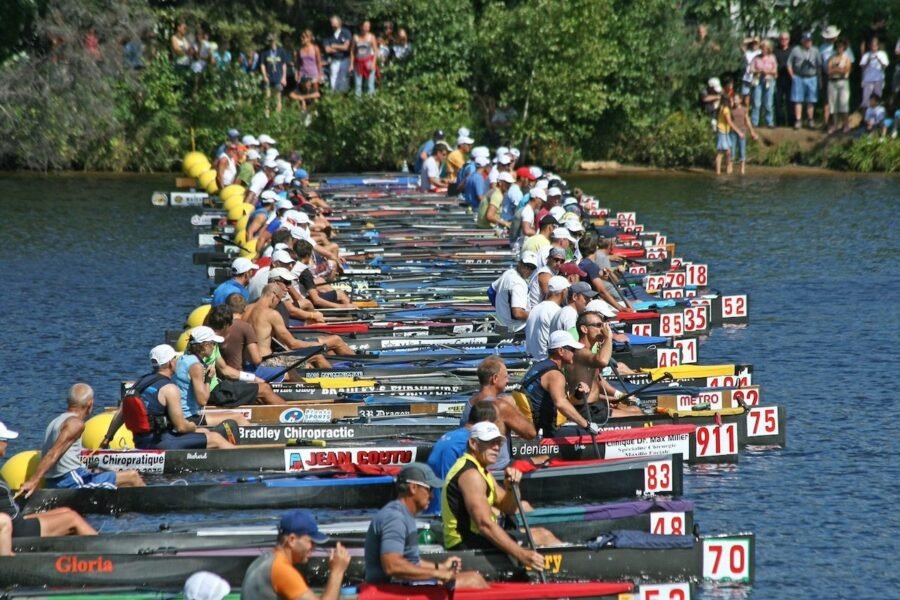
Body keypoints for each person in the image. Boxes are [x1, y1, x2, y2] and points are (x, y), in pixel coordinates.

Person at [441, 421, 559, 569]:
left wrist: (511, 487)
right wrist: (522, 555)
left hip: (476, 539)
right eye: (490, 443)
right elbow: (484, 525)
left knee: (541, 533)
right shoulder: (471, 475)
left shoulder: (481, 471)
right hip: (465, 546)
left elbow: (509, 508)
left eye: (498, 443)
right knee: (543, 537)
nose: (496, 448)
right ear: (473, 444)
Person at [365, 463, 487, 588]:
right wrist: (437, 573)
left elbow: (411, 561)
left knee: (475, 578)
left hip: (400, 586)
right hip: (385, 591)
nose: (432, 496)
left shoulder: (404, 514)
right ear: (413, 488)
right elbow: (392, 565)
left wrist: (441, 567)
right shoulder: (395, 518)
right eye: (430, 489)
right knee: (474, 581)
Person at [17, 385, 144, 498]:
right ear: (90, 404)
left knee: (108, 474)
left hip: (58, 480)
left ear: (68, 402)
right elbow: (53, 453)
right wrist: (33, 481)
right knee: (132, 476)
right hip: (69, 482)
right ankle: (149, 509)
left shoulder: (55, 421)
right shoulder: (76, 424)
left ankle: (125, 516)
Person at [101, 344, 236, 450]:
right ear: (171, 363)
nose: (177, 361)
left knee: (203, 432)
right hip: (162, 443)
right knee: (215, 438)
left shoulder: (139, 383)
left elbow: (121, 413)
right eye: (175, 359)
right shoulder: (170, 389)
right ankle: (241, 458)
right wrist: (192, 426)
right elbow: (182, 427)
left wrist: (108, 439)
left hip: (140, 441)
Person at [0, 421, 97, 553]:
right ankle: (105, 556)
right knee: (72, 519)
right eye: (4, 440)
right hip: (14, 528)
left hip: (15, 520)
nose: (7, 444)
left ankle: (76, 554)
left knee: (66, 511)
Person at [242, 509, 350, 600]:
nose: (313, 548)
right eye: (310, 542)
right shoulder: (281, 569)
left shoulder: (262, 561)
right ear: (292, 540)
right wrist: (337, 571)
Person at [519, 331, 599, 439]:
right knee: (595, 436)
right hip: (546, 432)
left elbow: (562, 401)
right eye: (572, 350)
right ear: (561, 351)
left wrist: (578, 394)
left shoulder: (539, 366)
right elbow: (561, 403)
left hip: (533, 427)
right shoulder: (555, 375)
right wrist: (586, 425)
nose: (574, 353)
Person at [206, 306, 289, 406]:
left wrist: (253, 378)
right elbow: (227, 372)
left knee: (259, 390)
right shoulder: (209, 345)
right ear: (226, 326)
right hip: (215, 391)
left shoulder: (208, 342)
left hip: (219, 386)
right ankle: (294, 414)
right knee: (264, 389)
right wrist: (253, 378)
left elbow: (225, 369)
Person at [568, 312, 641, 421]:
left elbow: (598, 381)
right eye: (598, 325)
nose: (602, 329)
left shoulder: (588, 352)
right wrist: (609, 337)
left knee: (635, 409)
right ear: (584, 329)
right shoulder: (579, 352)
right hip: (585, 410)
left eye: (603, 325)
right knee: (639, 416)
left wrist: (618, 396)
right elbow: (602, 361)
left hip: (595, 405)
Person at [173, 327, 251, 427]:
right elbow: (202, 401)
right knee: (238, 417)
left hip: (179, 414)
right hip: (189, 417)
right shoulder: (196, 366)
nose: (214, 347)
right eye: (213, 343)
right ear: (205, 345)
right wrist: (208, 379)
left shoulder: (182, 359)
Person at [490, 251, 538, 333]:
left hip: (501, 326)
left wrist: (502, 309)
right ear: (520, 263)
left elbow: (491, 291)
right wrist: (537, 316)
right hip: (517, 329)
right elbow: (518, 313)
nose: (528, 270)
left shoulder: (508, 273)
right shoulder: (519, 284)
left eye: (532, 267)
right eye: (526, 266)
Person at [525, 275, 569, 360]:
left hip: (532, 358)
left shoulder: (535, 308)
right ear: (564, 292)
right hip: (546, 359)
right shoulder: (557, 311)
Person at [787, 32, 822, 129]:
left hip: (812, 77)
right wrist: (792, 76)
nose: (808, 42)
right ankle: (798, 120)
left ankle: (811, 120)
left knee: (811, 100)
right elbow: (789, 64)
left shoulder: (815, 50)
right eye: (806, 40)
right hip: (799, 77)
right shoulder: (796, 50)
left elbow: (819, 65)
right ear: (802, 41)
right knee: (797, 100)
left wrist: (819, 78)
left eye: (810, 40)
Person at [826, 39, 853, 134]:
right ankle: (834, 125)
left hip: (843, 82)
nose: (839, 48)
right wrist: (838, 69)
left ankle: (846, 125)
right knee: (833, 105)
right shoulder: (831, 58)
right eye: (838, 46)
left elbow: (846, 70)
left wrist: (835, 69)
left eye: (841, 46)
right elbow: (828, 71)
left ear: (844, 47)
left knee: (844, 104)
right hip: (832, 82)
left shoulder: (847, 58)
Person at [260, 34, 290, 115]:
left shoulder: (281, 52)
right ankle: (266, 116)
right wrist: (264, 75)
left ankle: (277, 117)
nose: (272, 42)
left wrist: (284, 77)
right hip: (268, 78)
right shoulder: (264, 52)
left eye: (273, 40)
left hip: (278, 78)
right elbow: (262, 64)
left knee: (278, 98)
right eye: (270, 41)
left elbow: (284, 64)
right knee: (267, 97)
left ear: (276, 41)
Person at [751, 40, 778, 127]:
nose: (763, 50)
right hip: (758, 81)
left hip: (768, 81)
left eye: (765, 48)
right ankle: (755, 122)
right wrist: (758, 71)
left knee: (768, 103)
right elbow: (751, 69)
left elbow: (775, 71)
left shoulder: (772, 58)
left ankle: (769, 122)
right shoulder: (756, 58)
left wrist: (768, 71)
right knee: (756, 102)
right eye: (762, 48)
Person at [730, 95, 758, 175]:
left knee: (742, 150)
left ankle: (742, 169)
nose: (735, 101)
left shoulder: (744, 109)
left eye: (736, 99)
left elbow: (747, 120)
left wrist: (752, 131)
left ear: (740, 100)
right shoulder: (731, 109)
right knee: (732, 150)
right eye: (734, 99)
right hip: (733, 132)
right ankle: (731, 167)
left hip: (742, 131)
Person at [324, 16, 352, 93]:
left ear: (339, 23)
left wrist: (334, 46)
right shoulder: (328, 34)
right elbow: (327, 50)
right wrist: (340, 47)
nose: (332, 24)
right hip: (334, 60)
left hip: (345, 59)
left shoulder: (346, 32)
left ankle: (342, 96)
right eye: (331, 22)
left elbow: (346, 48)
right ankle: (333, 95)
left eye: (334, 22)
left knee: (343, 78)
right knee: (333, 77)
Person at [859, 38, 889, 110]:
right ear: (870, 46)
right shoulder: (866, 55)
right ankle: (866, 115)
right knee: (866, 98)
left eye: (875, 45)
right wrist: (868, 61)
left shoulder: (882, 54)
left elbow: (885, 66)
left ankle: (877, 114)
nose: (873, 47)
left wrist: (879, 60)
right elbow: (862, 66)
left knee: (878, 97)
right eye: (872, 45)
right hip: (868, 79)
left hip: (879, 79)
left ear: (878, 46)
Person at [352, 20, 379, 96]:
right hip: (358, 63)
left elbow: (375, 51)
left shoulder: (371, 37)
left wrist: (374, 63)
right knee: (358, 84)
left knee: (370, 84)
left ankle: (371, 101)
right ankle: (357, 103)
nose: (367, 28)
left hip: (369, 62)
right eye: (365, 26)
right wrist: (351, 64)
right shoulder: (355, 37)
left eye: (368, 26)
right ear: (361, 27)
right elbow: (352, 52)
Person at [774, 32, 793, 126]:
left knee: (790, 101)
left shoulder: (792, 50)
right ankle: (779, 123)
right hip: (778, 79)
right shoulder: (775, 50)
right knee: (778, 101)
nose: (783, 41)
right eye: (782, 39)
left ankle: (791, 123)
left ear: (789, 40)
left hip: (790, 79)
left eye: (785, 39)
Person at [715, 93, 735, 175]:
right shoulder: (725, 109)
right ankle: (718, 171)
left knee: (728, 151)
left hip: (725, 132)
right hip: (722, 131)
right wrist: (738, 131)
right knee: (721, 152)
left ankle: (728, 168)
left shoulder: (721, 107)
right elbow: (729, 121)